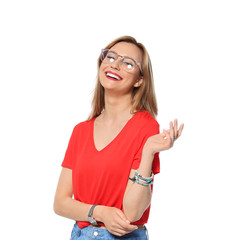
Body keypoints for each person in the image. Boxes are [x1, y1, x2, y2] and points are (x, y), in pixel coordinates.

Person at [54, 36, 184, 240]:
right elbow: (60, 203)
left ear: (140, 80)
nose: (115, 65)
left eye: (128, 63)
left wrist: (149, 151)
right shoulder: (81, 131)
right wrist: (100, 212)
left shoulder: (145, 126)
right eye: (111, 57)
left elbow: (132, 214)